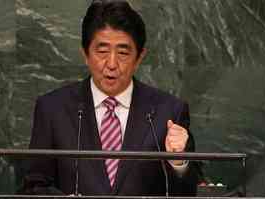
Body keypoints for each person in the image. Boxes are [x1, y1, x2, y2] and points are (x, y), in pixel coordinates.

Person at [23, 0, 199, 196]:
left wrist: (178, 163)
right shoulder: (52, 109)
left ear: (139, 57)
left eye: (123, 52)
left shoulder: (169, 112)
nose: (112, 63)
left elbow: (190, 191)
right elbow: (34, 186)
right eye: (102, 51)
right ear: (85, 54)